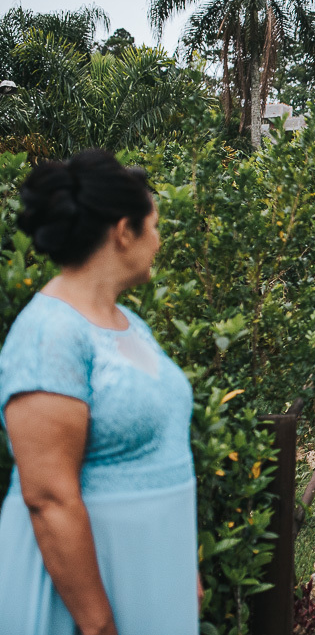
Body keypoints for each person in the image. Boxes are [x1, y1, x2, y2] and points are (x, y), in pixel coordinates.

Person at [0, 150, 201, 635]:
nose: (159, 240)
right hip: (86, 593)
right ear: (124, 231)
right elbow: (48, 496)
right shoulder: (48, 335)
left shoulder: (127, 323)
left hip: (151, 571)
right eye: (153, 225)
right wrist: (97, 624)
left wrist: (179, 566)